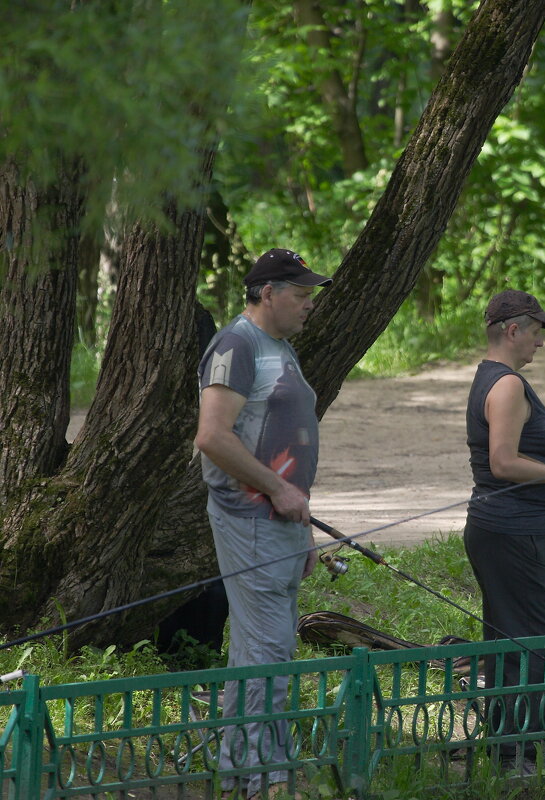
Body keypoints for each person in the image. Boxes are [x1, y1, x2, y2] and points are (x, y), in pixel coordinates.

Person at [194, 248, 332, 798]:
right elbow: (212, 436)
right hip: (248, 517)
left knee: (258, 650)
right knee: (270, 650)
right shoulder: (236, 344)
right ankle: (266, 780)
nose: (308, 306)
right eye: (300, 296)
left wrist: (302, 527)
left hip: (279, 522)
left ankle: (239, 774)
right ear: (267, 292)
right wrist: (276, 490)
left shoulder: (280, 347)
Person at [462, 290, 545, 776]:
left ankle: (510, 748)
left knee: (513, 641)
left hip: (509, 532)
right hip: (512, 534)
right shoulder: (507, 386)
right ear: (512, 330)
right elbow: (503, 462)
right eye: (537, 330)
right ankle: (518, 757)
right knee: (536, 644)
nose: (541, 340)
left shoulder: (493, 379)